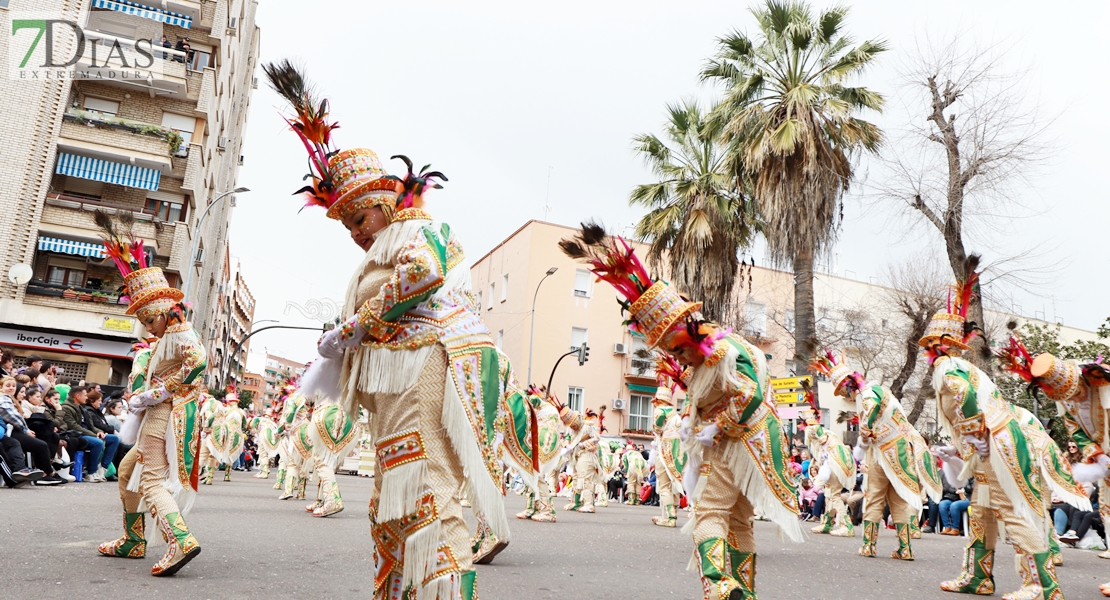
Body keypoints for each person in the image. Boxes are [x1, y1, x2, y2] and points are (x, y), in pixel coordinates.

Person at [559, 223, 803, 599]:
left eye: (676, 347)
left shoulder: (720, 352)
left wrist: (713, 428)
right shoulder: (724, 350)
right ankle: (745, 593)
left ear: (689, 327)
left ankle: (719, 587)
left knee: (707, 515)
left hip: (731, 446)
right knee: (740, 521)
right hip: (747, 447)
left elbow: (750, 394)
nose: (678, 357)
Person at [923, 261, 1080, 599]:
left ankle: (1042, 585)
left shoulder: (947, 367)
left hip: (994, 444)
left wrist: (976, 437)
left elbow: (963, 396)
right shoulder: (960, 364)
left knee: (1012, 510)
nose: (927, 350)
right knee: (980, 510)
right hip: (992, 443)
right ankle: (978, 577)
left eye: (929, 344)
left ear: (939, 344)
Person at [93, 210, 206, 576]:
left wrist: (157, 393)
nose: (146, 327)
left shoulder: (180, 334)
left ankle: (181, 541)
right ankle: (133, 540)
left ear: (161, 311)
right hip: (159, 413)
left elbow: (199, 364)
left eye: (147, 319)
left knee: (152, 480)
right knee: (127, 472)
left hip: (164, 415)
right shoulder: (168, 337)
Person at [811, 350, 941, 559]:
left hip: (881, 453)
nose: (845, 396)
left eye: (843, 391)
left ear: (848, 385)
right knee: (899, 501)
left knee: (873, 498)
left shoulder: (866, 395)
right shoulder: (883, 391)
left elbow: (869, 415)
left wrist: (863, 439)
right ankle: (905, 548)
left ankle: (869, 545)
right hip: (903, 452)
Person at [801, 410, 857, 537]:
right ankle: (827, 523)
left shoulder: (817, 432)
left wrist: (812, 432)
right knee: (828, 494)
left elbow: (820, 439)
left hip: (835, 466)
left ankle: (846, 526)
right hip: (837, 465)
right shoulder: (830, 434)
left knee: (834, 495)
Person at [0, 377, 65, 485]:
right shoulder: (4, 398)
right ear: (1, 387)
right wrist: (26, 430)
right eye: (8, 386)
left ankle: (46, 470)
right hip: (10, 432)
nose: (11, 388)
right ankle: (47, 473)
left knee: (49, 436)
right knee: (40, 444)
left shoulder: (12, 399)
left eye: (13, 386)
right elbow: (13, 417)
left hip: (12, 430)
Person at [650, 360, 688, 527]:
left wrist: (658, 430)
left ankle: (669, 517)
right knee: (673, 483)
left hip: (665, 450)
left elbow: (658, 426)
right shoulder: (676, 415)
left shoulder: (660, 410)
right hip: (677, 451)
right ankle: (673, 514)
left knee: (664, 483)